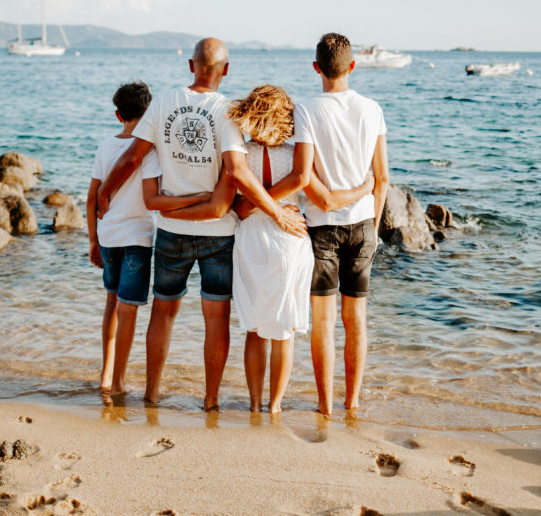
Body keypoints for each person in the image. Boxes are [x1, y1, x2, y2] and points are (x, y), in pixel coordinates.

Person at [95, 38, 306, 410]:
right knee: (216, 317)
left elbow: (132, 158)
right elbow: (238, 171)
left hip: (173, 231)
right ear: (225, 70)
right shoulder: (226, 111)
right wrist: (276, 212)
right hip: (218, 233)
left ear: (192, 65)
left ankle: (152, 391)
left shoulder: (162, 102)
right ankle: (210, 399)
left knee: (163, 312)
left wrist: (105, 193)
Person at [225, 85, 374, 413]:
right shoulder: (296, 155)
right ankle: (276, 405)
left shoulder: (240, 153)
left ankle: (253, 404)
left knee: (254, 330)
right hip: (289, 237)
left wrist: (258, 202)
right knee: (283, 332)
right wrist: (366, 187)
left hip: (250, 239)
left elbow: (236, 208)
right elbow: (317, 191)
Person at [87, 81, 210, 395]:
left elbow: (91, 198)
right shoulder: (151, 151)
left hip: (109, 236)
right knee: (128, 310)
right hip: (137, 239)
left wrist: (92, 240)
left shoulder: (104, 146)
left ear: (118, 115)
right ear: (150, 113)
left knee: (111, 303)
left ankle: (105, 374)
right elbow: (152, 195)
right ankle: (118, 383)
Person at [296, 32, 390, 416]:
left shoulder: (306, 110)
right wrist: (375, 230)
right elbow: (382, 179)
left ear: (317, 67)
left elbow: (304, 177)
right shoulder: (372, 109)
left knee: (323, 322)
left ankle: (325, 405)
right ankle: (352, 402)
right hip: (363, 224)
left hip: (322, 228)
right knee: (357, 320)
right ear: (352, 66)